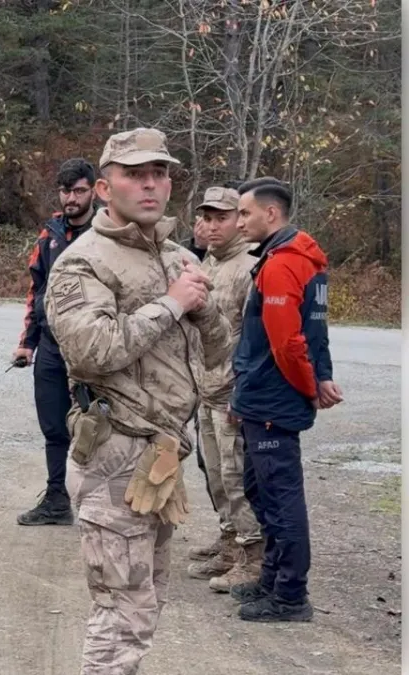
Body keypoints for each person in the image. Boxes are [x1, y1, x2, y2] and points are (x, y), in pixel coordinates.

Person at [43, 128, 233, 674]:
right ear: (104, 188)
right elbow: (90, 350)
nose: (150, 185)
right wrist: (172, 306)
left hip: (161, 454)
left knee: (144, 599)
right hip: (114, 455)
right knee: (121, 608)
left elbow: (218, 351)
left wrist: (202, 311)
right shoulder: (83, 262)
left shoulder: (178, 257)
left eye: (160, 173)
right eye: (134, 174)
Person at [228, 177, 341, 622]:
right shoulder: (305, 261)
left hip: (273, 400)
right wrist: (323, 377)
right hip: (268, 397)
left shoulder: (281, 265)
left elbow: (288, 344)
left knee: (279, 498)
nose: (238, 223)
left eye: (244, 213)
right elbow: (319, 332)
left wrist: (312, 386)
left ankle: (289, 597)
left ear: (270, 214)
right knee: (262, 490)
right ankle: (272, 579)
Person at [180, 187, 265, 592]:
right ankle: (230, 544)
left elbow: (255, 337)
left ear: (239, 220)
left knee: (236, 477)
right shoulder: (207, 264)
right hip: (205, 389)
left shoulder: (250, 266)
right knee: (215, 474)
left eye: (222, 218)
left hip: (232, 393)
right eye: (207, 218)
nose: (212, 226)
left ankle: (254, 556)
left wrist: (242, 392)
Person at [14, 158, 98, 526]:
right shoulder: (49, 235)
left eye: (79, 190)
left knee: (96, 429)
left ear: (94, 190)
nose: (72, 198)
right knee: (53, 428)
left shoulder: (110, 233)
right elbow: (37, 290)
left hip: (93, 347)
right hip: (50, 347)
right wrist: (26, 343)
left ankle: (99, 506)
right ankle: (56, 500)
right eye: (66, 191)